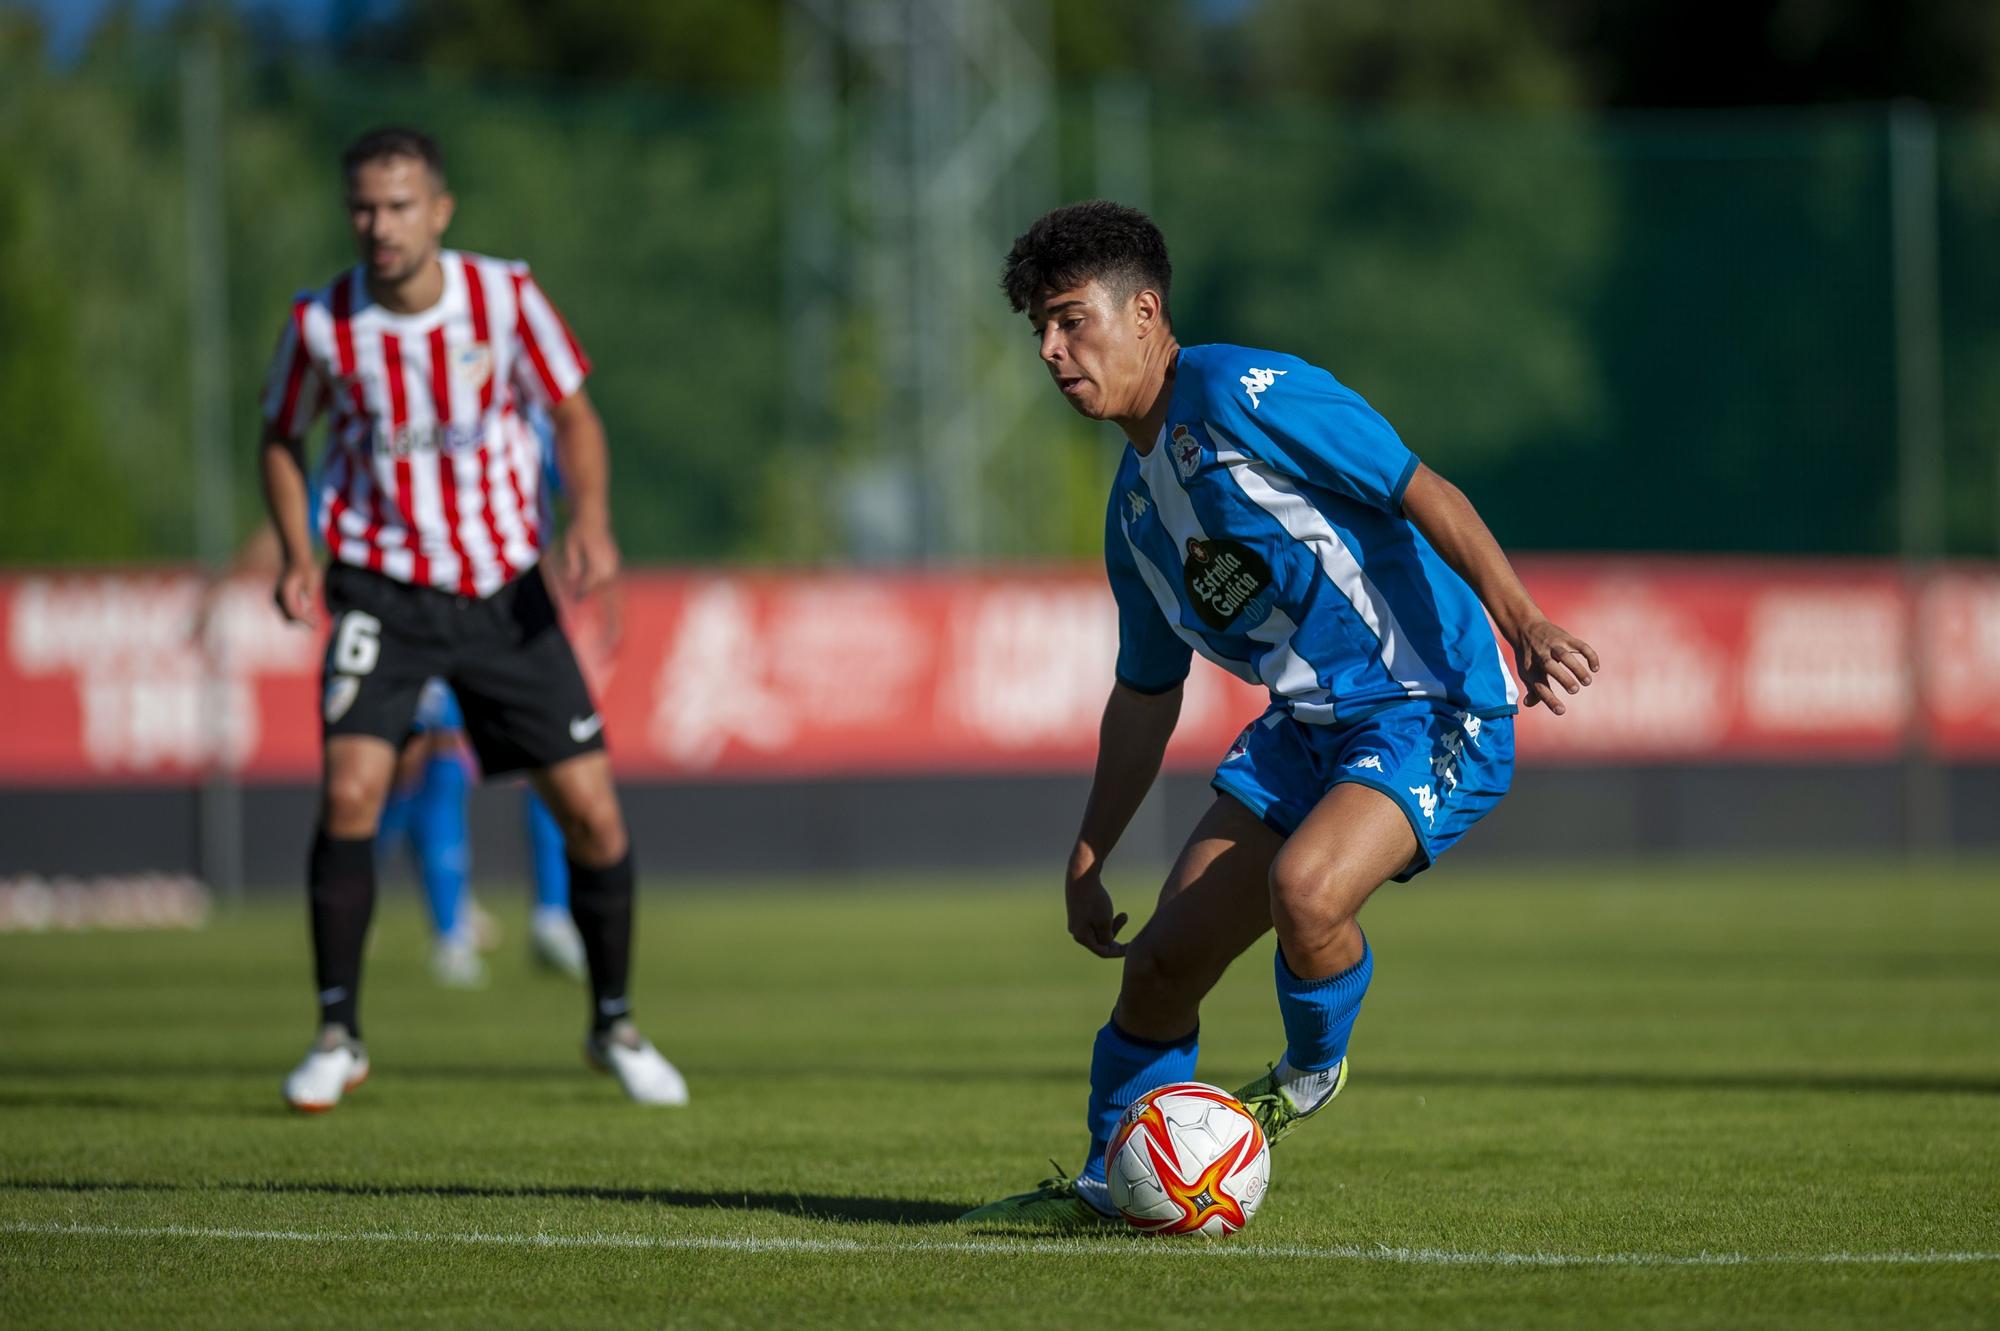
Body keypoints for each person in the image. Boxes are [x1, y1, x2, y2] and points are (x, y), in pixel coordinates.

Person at [959, 201, 1599, 1228]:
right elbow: (1143, 693)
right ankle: (1103, 1181)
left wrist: (1517, 617)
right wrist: (1087, 850)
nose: (1049, 350)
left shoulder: (1240, 390)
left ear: (1143, 314)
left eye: (1070, 320)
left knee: (1307, 892)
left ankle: (1307, 1071)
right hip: (1303, 732)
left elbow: (1412, 484)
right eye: (1037, 327)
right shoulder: (1133, 513)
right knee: (1161, 964)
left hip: (1431, 704)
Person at [257, 125, 684, 1110]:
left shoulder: (504, 297)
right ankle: (337, 1031)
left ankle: (613, 1021)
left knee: (590, 809)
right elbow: (280, 435)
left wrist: (594, 523)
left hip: (504, 589)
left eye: (399, 205)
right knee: (352, 792)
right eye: (363, 206)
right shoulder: (322, 322)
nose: (380, 225)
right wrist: (295, 548)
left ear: (438, 210)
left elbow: (573, 411)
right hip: (380, 589)